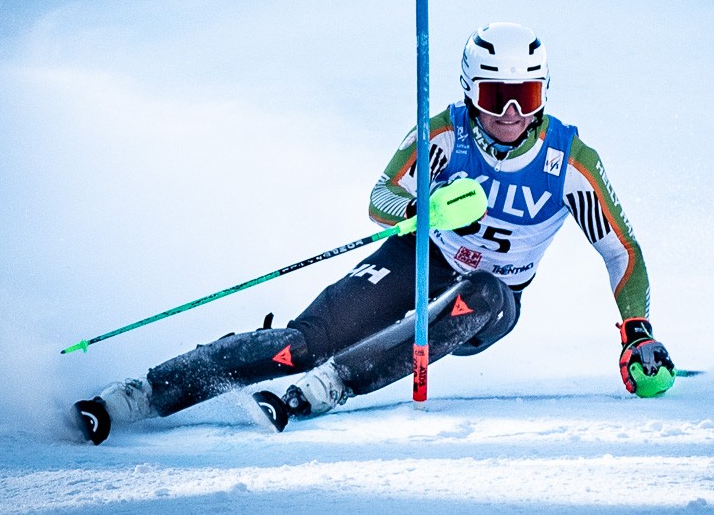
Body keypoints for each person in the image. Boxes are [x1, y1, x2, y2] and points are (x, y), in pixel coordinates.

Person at [73, 22, 675, 445]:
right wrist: (428, 210)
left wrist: (636, 333)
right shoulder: (442, 135)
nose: (512, 114)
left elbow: (621, 251)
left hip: (491, 301)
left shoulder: (570, 163)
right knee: (299, 344)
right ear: (472, 92)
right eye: (498, 97)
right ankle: (140, 394)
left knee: (487, 292)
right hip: (419, 256)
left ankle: (331, 385)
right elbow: (380, 199)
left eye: (527, 96)